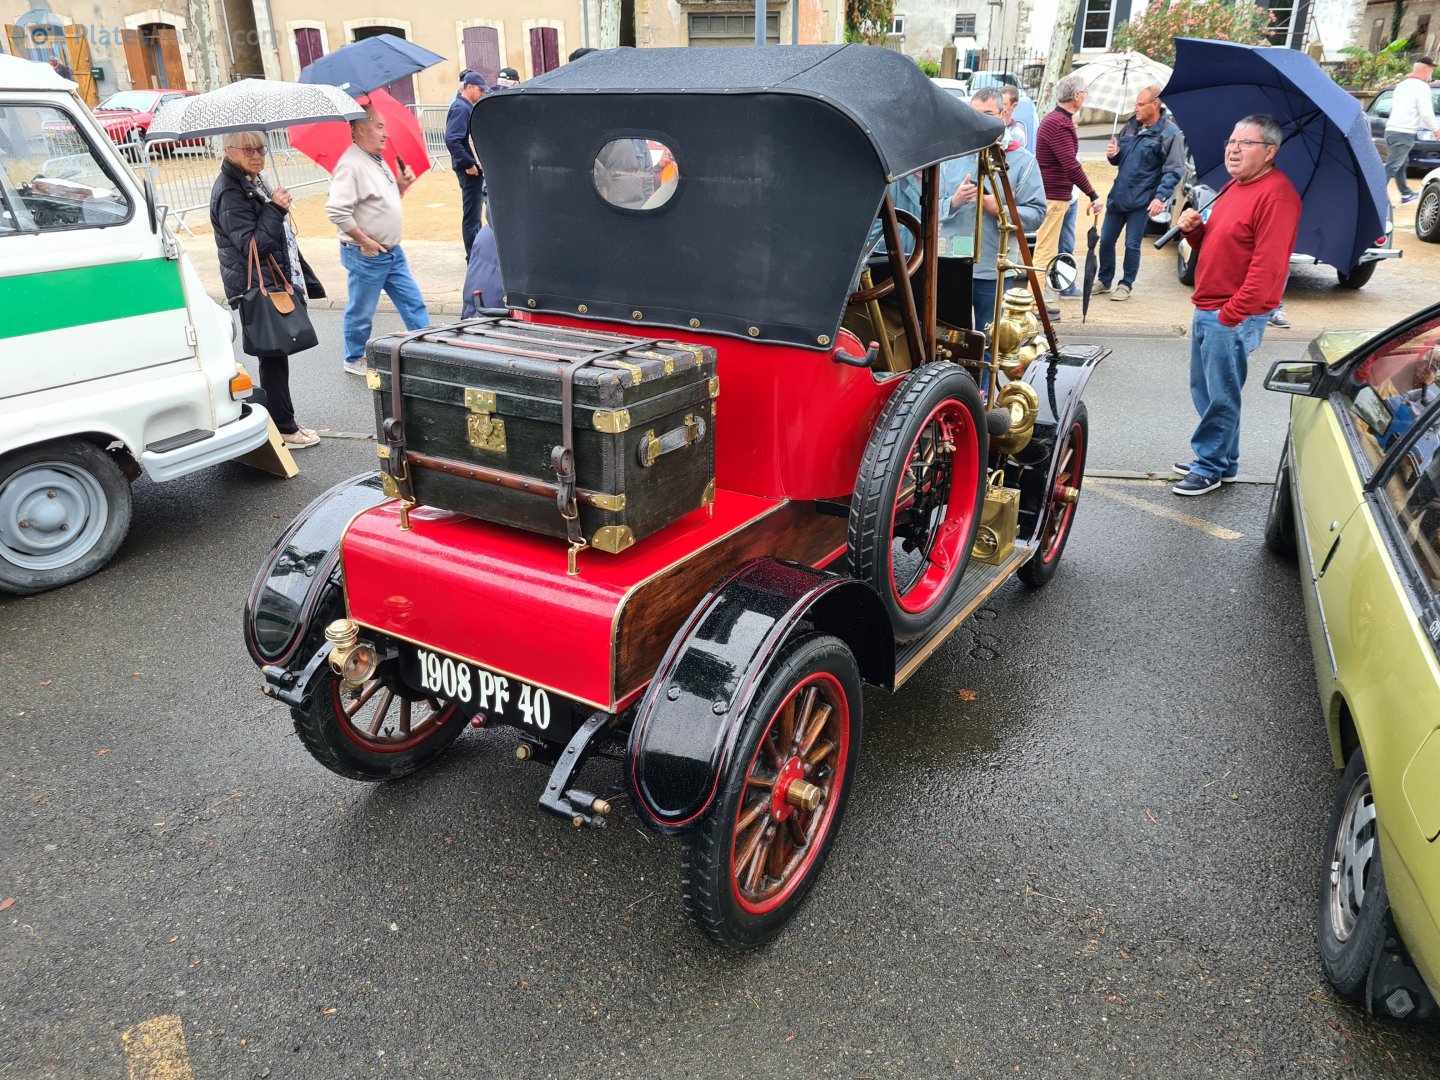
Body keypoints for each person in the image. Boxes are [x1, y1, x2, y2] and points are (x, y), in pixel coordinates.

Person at [1173, 114, 1301, 496]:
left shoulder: (1277, 196)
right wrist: (1195, 232)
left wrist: (1232, 314)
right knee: (1208, 391)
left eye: (1245, 143)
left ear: (1270, 151)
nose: (1233, 149)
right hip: (1210, 305)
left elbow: (1268, 267)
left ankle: (1209, 466)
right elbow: (1219, 244)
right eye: (1231, 141)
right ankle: (1224, 461)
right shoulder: (1233, 186)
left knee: (1221, 395)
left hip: (1231, 312)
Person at [209, 130, 325, 449]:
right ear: (229, 151)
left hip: (266, 280)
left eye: (261, 148)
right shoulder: (230, 191)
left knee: (276, 355)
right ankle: (283, 426)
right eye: (248, 150)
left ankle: (283, 421)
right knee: (273, 355)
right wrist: (275, 209)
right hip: (253, 285)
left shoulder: (251, 181)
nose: (257, 155)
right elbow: (252, 245)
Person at [326, 106, 430, 377]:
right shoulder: (351, 165)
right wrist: (366, 241)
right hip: (367, 254)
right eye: (380, 127)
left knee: (413, 302)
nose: (386, 134)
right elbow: (336, 211)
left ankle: (428, 351)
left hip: (392, 251)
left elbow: (380, 202)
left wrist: (401, 185)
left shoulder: (377, 159)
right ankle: (353, 357)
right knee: (361, 311)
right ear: (361, 130)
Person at [948, 87, 1047, 334]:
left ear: (1003, 115)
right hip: (952, 265)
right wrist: (953, 202)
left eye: (988, 114)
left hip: (994, 269)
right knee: (950, 341)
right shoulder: (952, 156)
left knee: (990, 340)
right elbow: (930, 203)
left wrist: (1000, 209)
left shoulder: (1022, 160)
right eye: (974, 114)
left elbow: (1036, 214)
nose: (979, 120)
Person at [1095, 85, 1184, 302]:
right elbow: (1120, 159)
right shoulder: (1130, 126)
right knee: (1105, 240)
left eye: (1141, 104)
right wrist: (1114, 155)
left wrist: (1160, 197)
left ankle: (1126, 284)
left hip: (1142, 200)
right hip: (1118, 196)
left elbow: (1174, 170)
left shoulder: (1170, 133)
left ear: (1155, 104)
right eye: (1136, 104)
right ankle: (1104, 280)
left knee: (1132, 244)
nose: (1136, 108)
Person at [1034, 73, 1103, 312]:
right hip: (1052, 196)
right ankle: (1034, 304)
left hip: (1054, 194)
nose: (1085, 96)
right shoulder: (1059, 124)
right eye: (1084, 93)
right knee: (1044, 251)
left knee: (1048, 250)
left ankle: (1036, 301)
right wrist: (1092, 194)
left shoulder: (1058, 120)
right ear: (1076, 96)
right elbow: (1071, 165)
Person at [1384, 55, 1439, 205]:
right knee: (1392, 166)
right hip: (1403, 133)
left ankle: (1406, 194)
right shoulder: (1422, 87)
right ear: (1426, 70)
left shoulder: (1402, 85)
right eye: (1431, 70)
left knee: (1401, 164)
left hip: (1391, 131)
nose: (1432, 74)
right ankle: (1373, 194)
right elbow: (1426, 112)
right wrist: (1436, 130)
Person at [447, 71, 487, 258]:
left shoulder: (465, 107)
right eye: (480, 89)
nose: (482, 93)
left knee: (475, 214)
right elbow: (453, 140)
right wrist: (469, 164)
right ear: (469, 87)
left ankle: (476, 255)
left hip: (472, 169)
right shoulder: (461, 108)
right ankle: (473, 257)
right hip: (469, 170)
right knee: (472, 216)